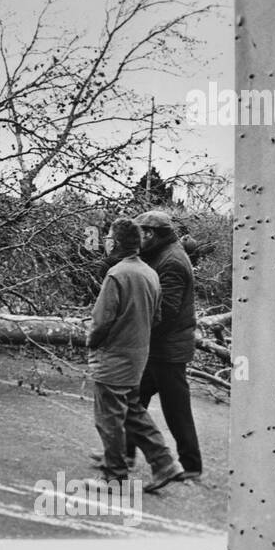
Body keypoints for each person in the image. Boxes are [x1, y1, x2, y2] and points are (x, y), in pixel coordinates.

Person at [86, 217, 183, 491]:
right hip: (137, 356)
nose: (104, 240)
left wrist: (92, 342)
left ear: (115, 243)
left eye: (107, 236)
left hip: (113, 359)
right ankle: (164, 463)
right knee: (133, 412)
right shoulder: (149, 273)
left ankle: (113, 475)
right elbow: (157, 315)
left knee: (108, 418)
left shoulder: (117, 274)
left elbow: (102, 320)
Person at [124, 209, 203, 481]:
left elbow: (167, 312)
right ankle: (124, 454)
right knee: (132, 400)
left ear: (150, 233)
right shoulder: (160, 253)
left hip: (167, 349)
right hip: (160, 346)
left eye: (139, 233)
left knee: (175, 410)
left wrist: (134, 330)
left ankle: (190, 465)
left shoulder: (171, 261)